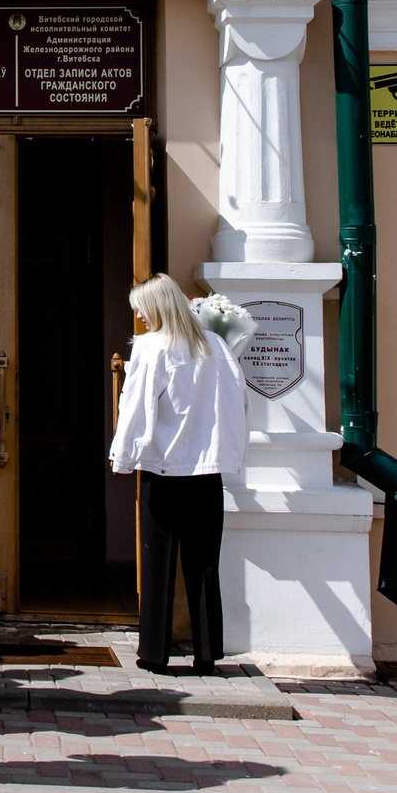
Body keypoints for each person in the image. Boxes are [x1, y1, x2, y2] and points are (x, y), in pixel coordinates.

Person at [109, 273, 247, 676]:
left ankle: (154, 653)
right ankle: (207, 654)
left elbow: (135, 407)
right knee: (204, 564)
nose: (136, 314)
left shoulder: (152, 348)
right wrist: (231, 454)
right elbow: (239, 405)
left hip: (164, 468)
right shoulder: (217, 346)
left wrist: (122, 456)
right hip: (208, 472)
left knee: (158, 565)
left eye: (140, 306)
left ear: (157, 307)